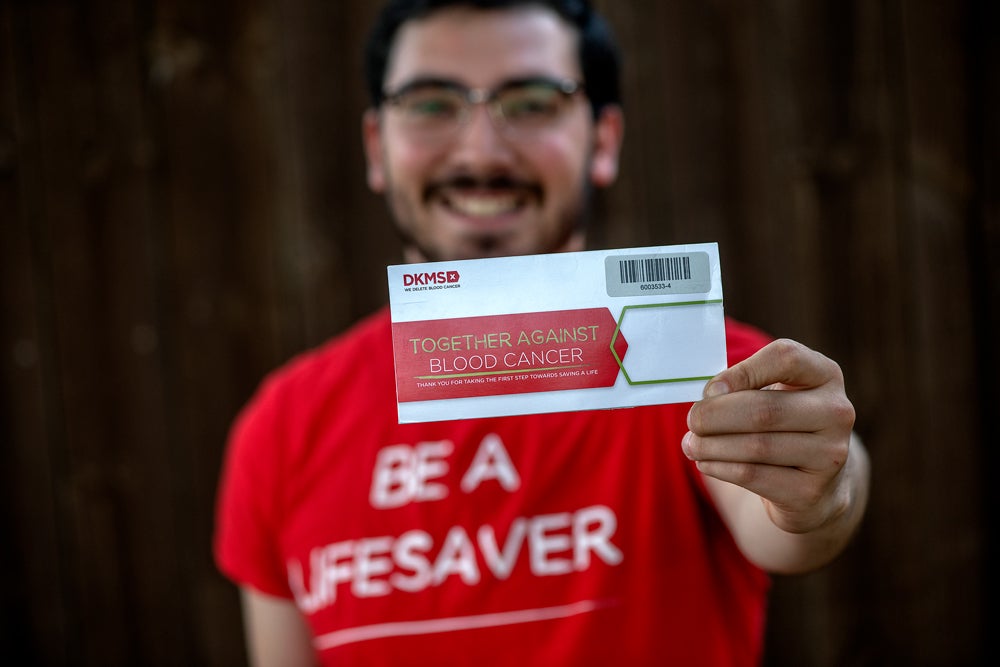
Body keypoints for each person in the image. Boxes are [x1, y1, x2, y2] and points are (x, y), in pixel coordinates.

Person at [214, 1, 870, 665]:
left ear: (604, 140)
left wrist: (824, 488)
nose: (480, 150)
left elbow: (797, 518)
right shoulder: (281, 428)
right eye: (431, 103)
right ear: (376, 148)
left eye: (530, 102)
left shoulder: (687, 357)